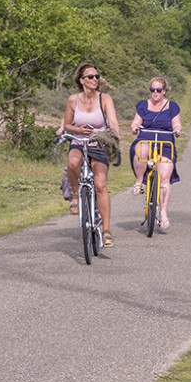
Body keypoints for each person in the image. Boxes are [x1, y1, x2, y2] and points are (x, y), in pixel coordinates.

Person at [61, 62, 120, 248]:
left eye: (97, 76)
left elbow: (112, 121)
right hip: (79, 141)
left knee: (100, 184)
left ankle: (107, 229)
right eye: (91, 77)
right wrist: (77, 129)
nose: (95, 79)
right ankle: (77, 195)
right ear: (82, 80)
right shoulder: (73, 100)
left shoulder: (105, 99)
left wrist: (113, 135)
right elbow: (66, 125)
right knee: (72, 163)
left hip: (99, 142)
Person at [129, 76, 183, 230]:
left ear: (164, 91)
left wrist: (178, 130)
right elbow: (136, 122)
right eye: (152, 89)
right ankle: (140, 181)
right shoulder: (143, 106)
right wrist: (134, 127)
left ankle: (163, 211)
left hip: (165, 143)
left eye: (159, 90)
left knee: (164, 177)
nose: (155, 93)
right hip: (146, 138)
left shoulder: (172, 107)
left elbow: (177, 123)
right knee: (141, 149)